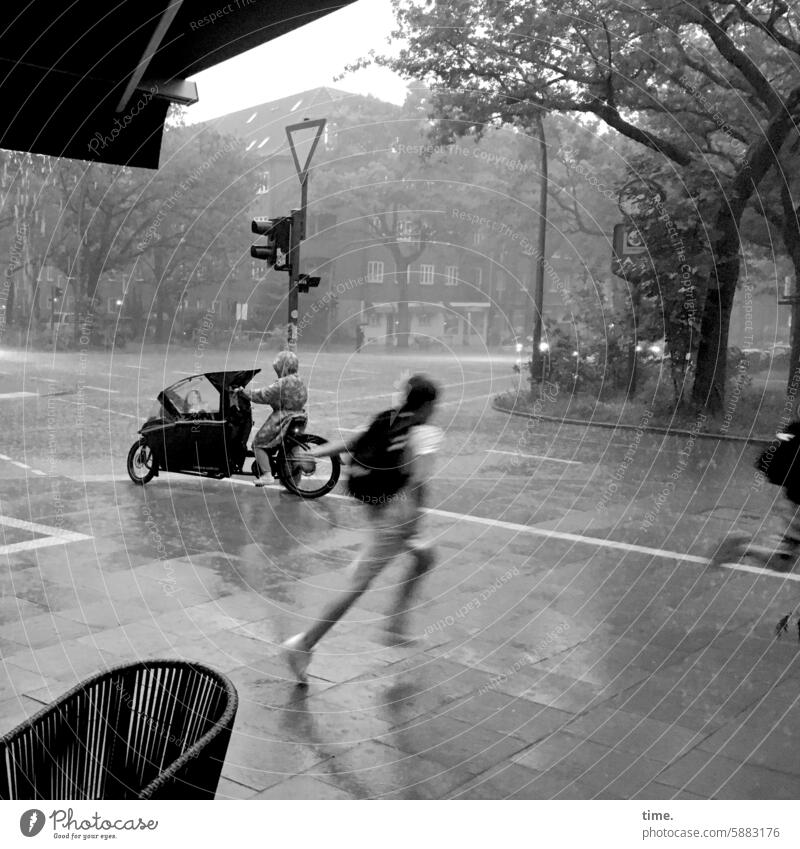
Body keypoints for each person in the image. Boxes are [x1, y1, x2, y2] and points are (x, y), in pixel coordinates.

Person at [281, 374, 442, 684]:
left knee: (425, 557)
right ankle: (303, 644)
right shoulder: (424, 433)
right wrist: (414, 521)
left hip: (377, 506)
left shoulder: (388, 419)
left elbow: (355, 441)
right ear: (427, 405)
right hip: (397, 515)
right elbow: (420, 480)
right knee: (358, 585)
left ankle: (395, 622)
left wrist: (317, 452)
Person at [237, 350, 308, 484]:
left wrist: (245, 393)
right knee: (291, 450)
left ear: (283, 367)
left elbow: (265, 394)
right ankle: (293, 482)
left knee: (258, 443)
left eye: (278, 368)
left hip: (283, 417)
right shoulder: (299, 380)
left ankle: (267, 474)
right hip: (299, 415)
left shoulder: (283, 382)